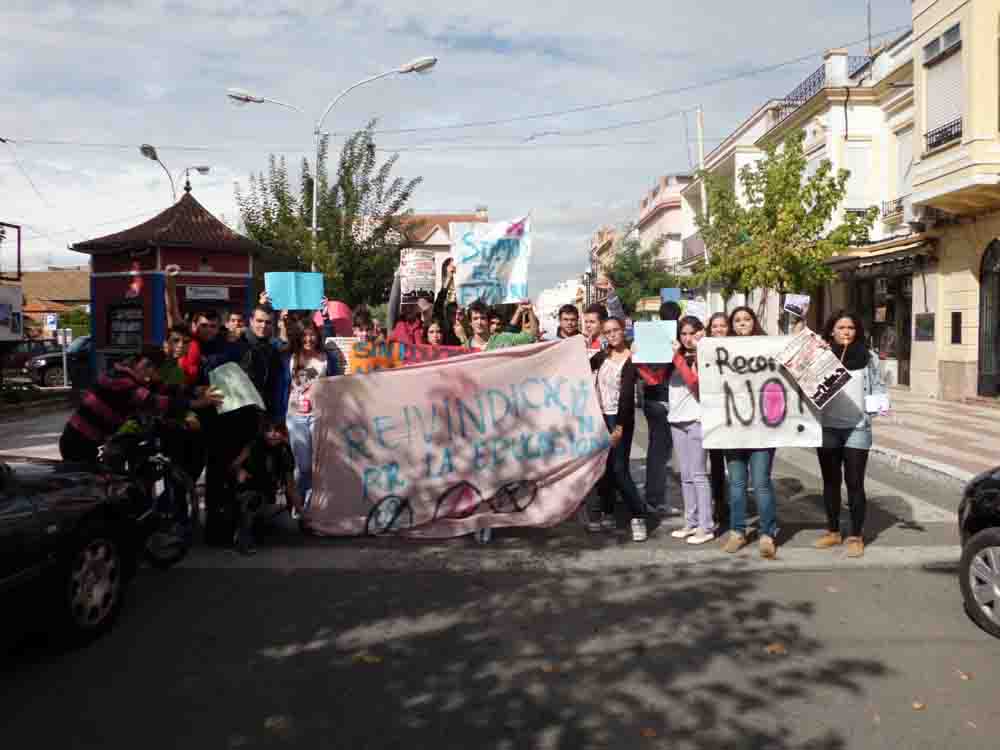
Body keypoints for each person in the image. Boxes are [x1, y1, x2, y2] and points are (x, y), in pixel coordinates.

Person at [59, 346, 223, 464]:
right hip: (78, 441)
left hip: (87, 439)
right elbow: (153, 401)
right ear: (143, 365)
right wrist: (198, 403)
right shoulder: (120, 380)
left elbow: (164, 389)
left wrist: (194, 390)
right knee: (92, 492)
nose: (150, 378)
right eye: (150, 371)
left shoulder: (127, 375)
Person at [814, 310, 887, 558]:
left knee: (855, 483)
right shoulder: (821, 356)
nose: (846, 332)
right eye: (841, 327)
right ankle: (833, 530)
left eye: (851, 328)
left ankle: (856, 535)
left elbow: (878, 386)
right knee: (831, 482)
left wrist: (878, 406)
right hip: (827, 427)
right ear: (831, 331)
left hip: (857, 428)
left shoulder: (868, 357)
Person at [721, 305, 779, 559]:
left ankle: (767, 534)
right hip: (733, 429)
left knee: (761, 483)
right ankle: (737, 532)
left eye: (746, 319)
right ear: (732, 326)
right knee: (736, 485)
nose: (742, 323)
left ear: (754, 322)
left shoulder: (768, 347)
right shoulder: (720, 351)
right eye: (737, 320)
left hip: (762, 430)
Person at [589, 316, 647, 542]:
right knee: (604, 468)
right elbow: (577, 369)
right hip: (600, 418)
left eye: (616, 330)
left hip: (620, 418)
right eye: (608, 332)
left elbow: (625, 397)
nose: (612, 335)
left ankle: (638, 515)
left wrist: (620, 426)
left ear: (624, 331)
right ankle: (608, 511)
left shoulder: (633, 357)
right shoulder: (601, 357)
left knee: (620, 469)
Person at [275, 320, 342, 512]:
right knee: (303, 466)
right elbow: (281, 388)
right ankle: (297, 503)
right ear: (298, 336)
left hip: (320, 416)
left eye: (312, 334)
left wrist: (327, 318)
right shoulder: (289, 357)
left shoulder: (326, 357)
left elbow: (338, 385)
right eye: (304, 335)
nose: (309, 338)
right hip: (295, 417)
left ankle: (311, 507)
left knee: (320, 464)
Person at [666, 317, 714, 544]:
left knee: (698, 474)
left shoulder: (702, 356)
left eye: (691, 333)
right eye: (683, 334)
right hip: (676, 419)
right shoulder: (676, 356)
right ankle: (691, 522)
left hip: (697, 420)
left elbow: (696, 386)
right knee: (685, 475)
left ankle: (706, 525)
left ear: (699, 333)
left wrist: (678, 358)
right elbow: (653, 379)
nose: (686, 338)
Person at [230, 418, 301, 555]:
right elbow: (234, 465)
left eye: (277, 431)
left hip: (267, 493)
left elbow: (290, 484)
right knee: (251, 501)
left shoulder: (285, 452)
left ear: (284, 433)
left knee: (262, 521)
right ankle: (243, 540)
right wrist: (240, 470)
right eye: (269, 431)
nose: (273, 434)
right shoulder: (254, 445)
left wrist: (299, 509)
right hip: (247, 489)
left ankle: (257, 527)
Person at [637, 300, 682, 517]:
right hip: (664, 399)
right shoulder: (675, 338)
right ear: (678, 316)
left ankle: (653, 494)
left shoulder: (648, 334)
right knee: (660, 451)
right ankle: (655, 499)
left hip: (650, 398)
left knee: (656, 448)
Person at [705, 312, 730, 531]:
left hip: (734, 416)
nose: (719, 329)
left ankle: (730, 500)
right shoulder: (704, 349)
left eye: (723, 326)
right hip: (713, 414)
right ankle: (719, 502)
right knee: (716, 463)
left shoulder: (736, 348)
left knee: (733, 460)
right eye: (715, 326)